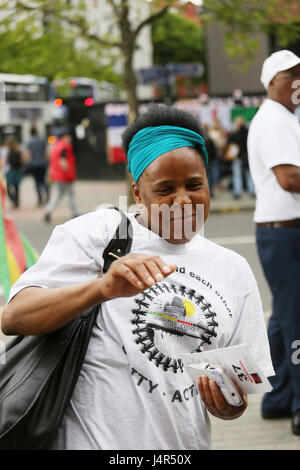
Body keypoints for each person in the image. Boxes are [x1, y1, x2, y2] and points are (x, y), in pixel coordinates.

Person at [1, 105, 274, 450]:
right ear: (137, 192)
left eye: (195, 185)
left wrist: (228, 405)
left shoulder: (233, 269)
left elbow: (236, 397)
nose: (182, 201)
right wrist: (101, 289)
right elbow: (14, 318)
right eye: (164, 190)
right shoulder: (97, 234)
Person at [247, 50, 300, 435]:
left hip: (281, 231)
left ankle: (279, 398)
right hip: (285, 233)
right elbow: (290, 178)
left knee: (285, 319)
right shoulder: (275, 121)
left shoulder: (282, 118)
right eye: (293, 76)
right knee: (296, 321)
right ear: (272, 83)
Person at [44, 128, 79, 223]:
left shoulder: (55, 146)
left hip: (58, 176)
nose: (70, 138)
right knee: (70, 195)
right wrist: (68, 173)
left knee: (57, 195)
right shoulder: (64, 147)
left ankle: (48, 211)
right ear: (64, 137)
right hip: (65, 176)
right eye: (68, 136)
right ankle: (75, 213)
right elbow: (63, 162)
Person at [225, 116, 255, 199]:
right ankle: (252, 191)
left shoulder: (235, 133)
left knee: (237, 174)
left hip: (237, 157)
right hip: (247, 157)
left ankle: (238, 192)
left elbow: (230, 144)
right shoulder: (248, 133)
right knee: (249, 175)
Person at [24, 127, 49, 207]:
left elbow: (28, 154)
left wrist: (24, 161)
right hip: (42, 164)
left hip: (34, 165)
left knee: (37, 182)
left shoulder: (30, 142)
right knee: (43, 180)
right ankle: (47, 194)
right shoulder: (42, 140)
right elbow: (46, 152)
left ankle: (39, 199)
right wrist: (48, 161)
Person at [3, 136, 24, 208]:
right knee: (16, 187)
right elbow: (22, 161)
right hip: (17, 170)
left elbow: (6, 163)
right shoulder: (18, 151)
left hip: (12, 171)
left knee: (9, 187)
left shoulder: (9, 152)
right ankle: (16, 201)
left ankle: (14, 200)